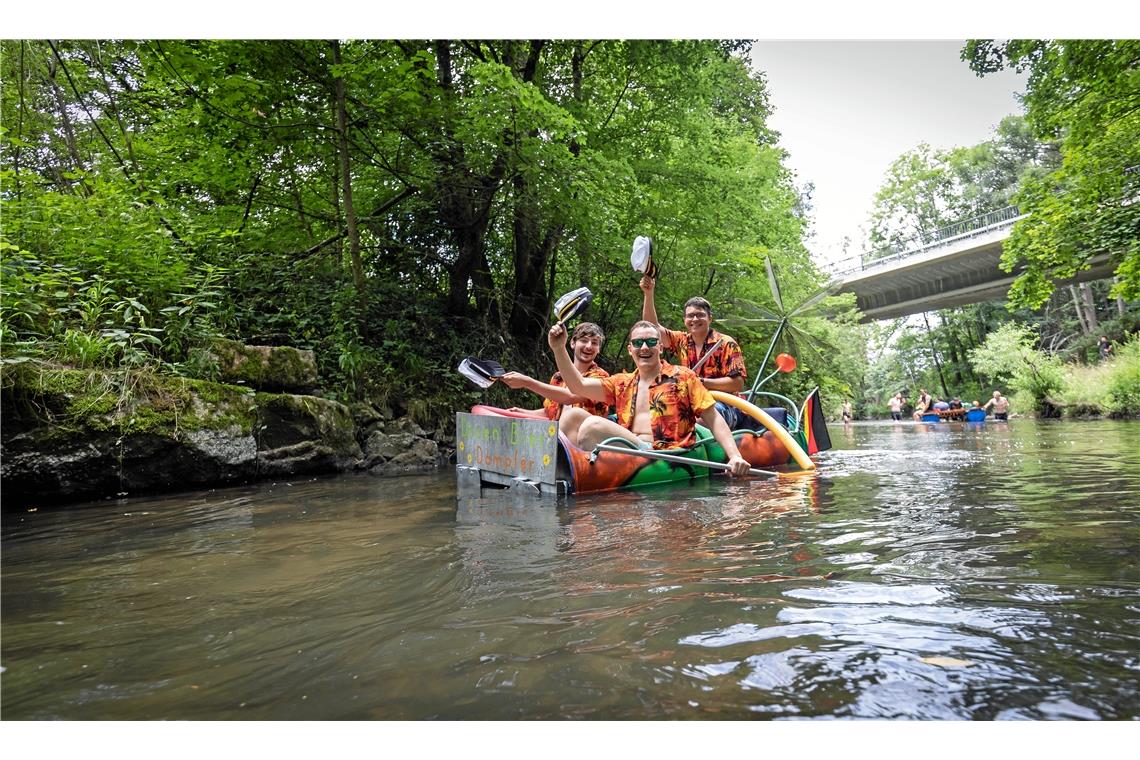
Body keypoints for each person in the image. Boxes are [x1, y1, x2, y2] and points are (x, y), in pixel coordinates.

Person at [546, 320, 751, 477]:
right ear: (630, 349)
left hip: (663, 454)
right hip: (630, 448)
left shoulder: (683, 377)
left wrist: (735, 456)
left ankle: (579, 472)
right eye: (638, 343)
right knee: (571, 415)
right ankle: (559, 472)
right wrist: (559, 348)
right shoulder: (621, 382)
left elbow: (713, 418)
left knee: (591, 426)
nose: (644, 347)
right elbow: (577, 385)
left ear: (660, 347)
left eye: (651, 342)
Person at [640, 275, 746, 429]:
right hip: (691, 401)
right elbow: (652, 328)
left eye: (700, 315)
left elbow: (737, 383)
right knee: (655, 411)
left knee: (698, 418)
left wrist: (701, 382)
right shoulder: (682, 341)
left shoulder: (726, 343)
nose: (695, 319)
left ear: (710, 318)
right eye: (690, 315)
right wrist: (648, 294)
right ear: (684, 320)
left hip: (726, 405)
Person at [500, 322, 611, 420]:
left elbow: (570, 397)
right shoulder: (558, 377)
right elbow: (550, 412)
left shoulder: (601, 377)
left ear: (599, 349)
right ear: (573, 343)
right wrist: (521, 412)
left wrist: (527, 382)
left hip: (584, 440)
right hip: (557, 437)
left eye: (594, 343)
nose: (588, 346)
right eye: (584, 341)